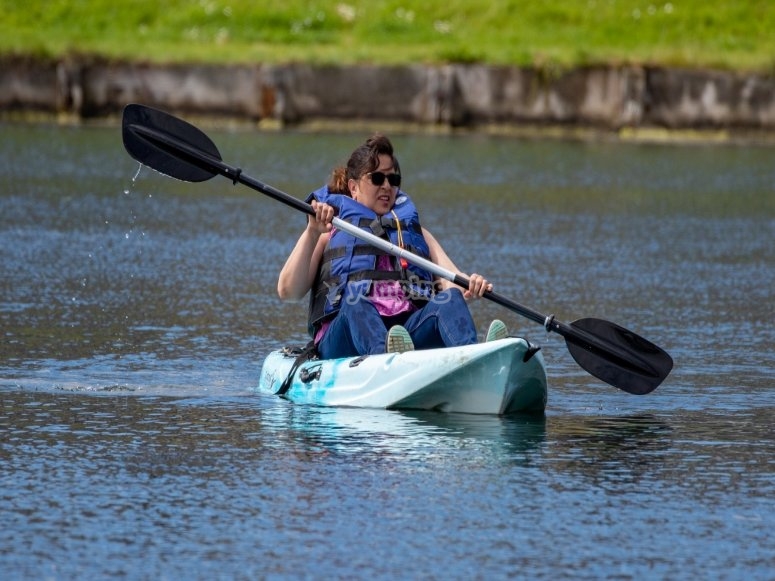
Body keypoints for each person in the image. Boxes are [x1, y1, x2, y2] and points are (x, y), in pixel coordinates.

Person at [277, 133, 507, 359]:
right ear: (353, 187)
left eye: (393, 180)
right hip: (345, 337)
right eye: (377, 179)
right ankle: (386, 362)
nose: (387, 186)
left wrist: (471, 285)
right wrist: (311, 231)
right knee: (356, 302)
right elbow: (288, 290)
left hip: (405, 333)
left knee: (450, 302)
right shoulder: (329, 230)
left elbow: (450, 280)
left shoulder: (418, 234)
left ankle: (476, 358)